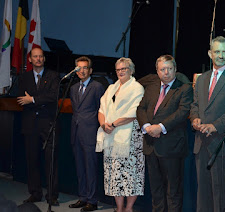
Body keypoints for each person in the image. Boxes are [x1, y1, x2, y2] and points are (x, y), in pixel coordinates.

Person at [190, 36, 225, 212]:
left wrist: (215, 125)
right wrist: (194, 118)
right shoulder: (201, 78)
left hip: (222, 142)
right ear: (210, 53)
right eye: (217, 51)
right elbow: (195, 105)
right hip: (201, 143)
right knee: (203, 193)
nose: (220, 55)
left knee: (220, 194)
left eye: (224, 52)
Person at [137, 55, 193, 212]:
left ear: (175, 69)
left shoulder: (184, 88)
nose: (166, 72)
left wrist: (160, 127)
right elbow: (141, 108)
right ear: (157, 71)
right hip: (151, 145)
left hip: (172, 147)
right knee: (156, 190)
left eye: (169, 69)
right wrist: (147, 126)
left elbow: (182, 112)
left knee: (173, 191)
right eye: (162, 69)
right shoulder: (152, 87)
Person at [96, 57, 145, 212]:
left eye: (124, 68)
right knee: (115, 174)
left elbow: (134, 112)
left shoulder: (137, 88)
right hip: (111, 136)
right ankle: (119, 208)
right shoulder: (111, 88)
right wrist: (104, 125)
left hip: (130, 138)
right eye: (118, 69)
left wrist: (114, 124)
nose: (121, 72)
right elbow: (101, 109)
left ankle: (129, 208)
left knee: (131, 175)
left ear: (131, 70)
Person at [17, 48, 60, 205]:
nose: (38, 59)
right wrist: (39, 99)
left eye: (40, 56)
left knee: (51, 162)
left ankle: (52, 195)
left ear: (44, 59)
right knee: (32, 160)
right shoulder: (24, 77)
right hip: (30, 124)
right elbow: (21, 98)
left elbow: (53, 96)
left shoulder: (53, 76)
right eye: (35, 56)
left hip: (48, 124)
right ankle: (35, 193)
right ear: (30, 59)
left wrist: (33, 100)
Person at [68, 56, 105, 211]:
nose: (81, 71)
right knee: (80, 167)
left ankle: (92, 200)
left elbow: (101, 109)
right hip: (76, 132)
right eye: (78, 68)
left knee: (90, 167)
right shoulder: (73, 88)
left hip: (90, 132)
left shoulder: (97, 87)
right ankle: (82, 197)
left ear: (90, 70)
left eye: (84, 68)